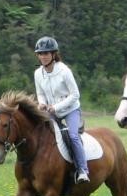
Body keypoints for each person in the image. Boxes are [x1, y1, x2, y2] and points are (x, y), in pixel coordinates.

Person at [34, 36, 90, 183]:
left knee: (72, 136)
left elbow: (75, 95)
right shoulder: (38, 73)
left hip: (71, 109)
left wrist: (55, 107)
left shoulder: (65, 71)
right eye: (40, 54)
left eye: (46, 53)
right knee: (43, 135)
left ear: (53, 54)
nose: (43, 57)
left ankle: (83, 170)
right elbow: (40, 93)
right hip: (52, 112)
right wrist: (41, 103)